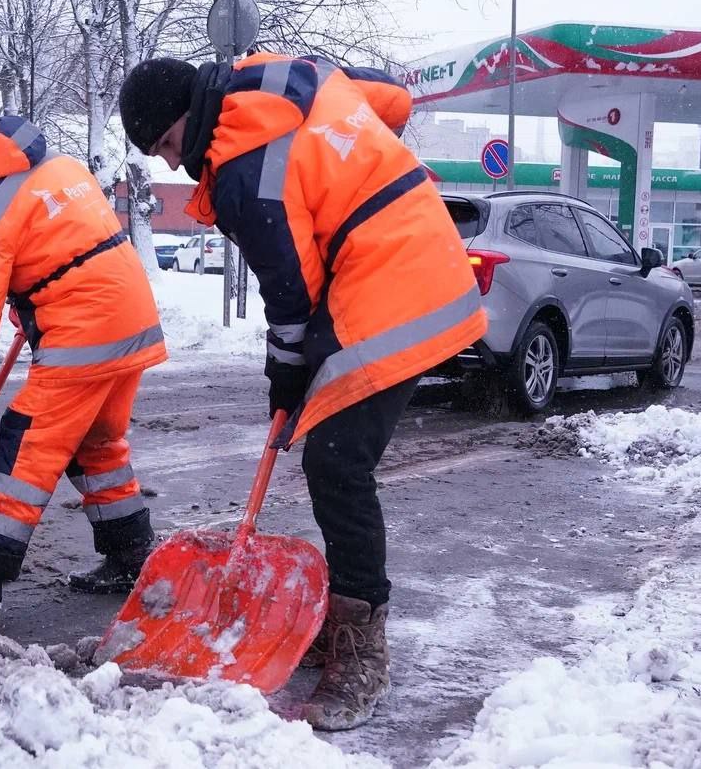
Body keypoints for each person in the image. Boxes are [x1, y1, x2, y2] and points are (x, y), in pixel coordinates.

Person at [119, 54, 487, 730]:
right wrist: (352, 168)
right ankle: (345, 615)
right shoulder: (276, 75)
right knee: (332, 452)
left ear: (185, 115)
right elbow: (392, 104)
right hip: (410, 249)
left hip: (398, 281)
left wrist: (285, 381)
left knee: (336, 460)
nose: (173, 165)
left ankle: (362, 643)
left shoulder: (241, 172)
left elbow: (291, 299)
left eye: (168, 144)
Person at [0, 108, 168, 624]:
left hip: (84, 331)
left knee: (26, 450)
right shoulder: (44, 162)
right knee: (95, 445)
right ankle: (131, 555)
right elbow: (64, 241)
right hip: (129, 317)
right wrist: (36, 304)